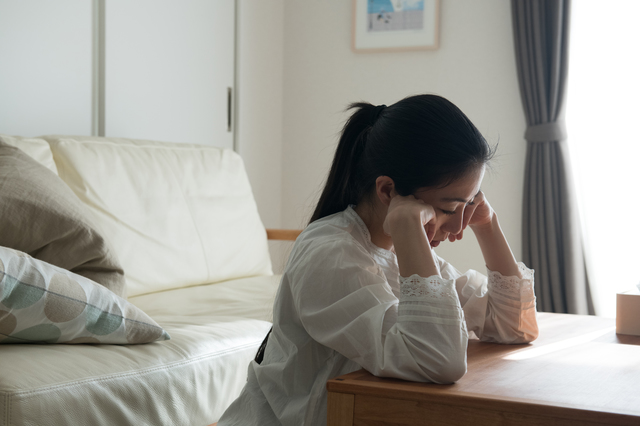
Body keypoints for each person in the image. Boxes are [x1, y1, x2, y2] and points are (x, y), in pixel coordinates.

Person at [218, 94, 538, 426]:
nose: (459, 228)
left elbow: (514, 326)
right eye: (449, 209)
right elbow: (439, 362)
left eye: (470, 206)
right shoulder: (331, 254)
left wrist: (487, 224)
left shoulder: (400, 253)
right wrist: (408, 228)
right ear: (387, 191)